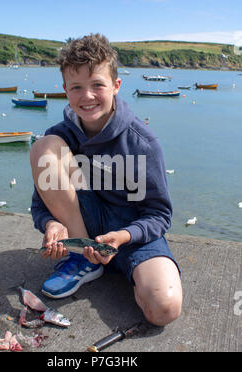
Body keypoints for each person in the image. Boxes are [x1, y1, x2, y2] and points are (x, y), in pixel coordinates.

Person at [30, 33, 182, 326]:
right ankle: (83, 257)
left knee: (165, 308)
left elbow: (160, 215)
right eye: (76, 87)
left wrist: (124, 237)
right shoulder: (58, 136)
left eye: (97, 84)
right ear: (65, 90)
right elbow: (41, 205)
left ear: (116, 85)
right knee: (43, 146)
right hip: (84, 230)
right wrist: (53, 225)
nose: (87, 96)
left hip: (132, 236)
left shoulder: (143, 142)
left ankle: (126, 268)